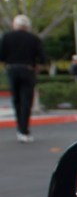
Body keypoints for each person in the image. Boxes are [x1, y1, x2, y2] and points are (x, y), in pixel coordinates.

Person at [0, 15, 47, 143]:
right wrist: (36, 67)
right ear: (27, 26)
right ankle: (24, 130)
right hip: (28, 70)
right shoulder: (34, 39)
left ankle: (19, 128)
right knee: (26, 101)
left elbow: (2, 55)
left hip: (12, 70)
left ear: (15, 25)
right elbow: (42, 58)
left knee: (17, 101)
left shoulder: (7, 37)